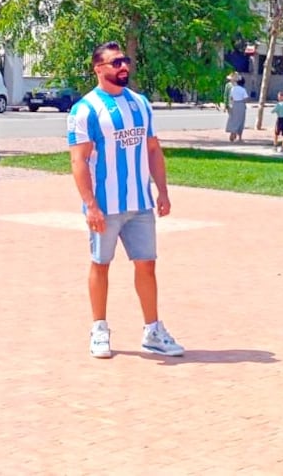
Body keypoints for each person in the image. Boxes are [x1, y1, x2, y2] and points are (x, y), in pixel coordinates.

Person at [68, 41, 183, 360]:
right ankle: (99, 329)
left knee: (147, 264)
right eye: (116, 62)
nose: (123, 67)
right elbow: (79, 160)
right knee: (100, 264)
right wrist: (91, 205)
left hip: (139, 203)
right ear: (98, 68)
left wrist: (162, 191)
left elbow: (153, 149)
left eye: (126, 61)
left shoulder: (141, 104)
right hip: (105, 205)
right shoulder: (85, 109)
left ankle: (153, 331)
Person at [224, 76, 248, 142]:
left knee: (233, 119)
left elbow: (231, 98)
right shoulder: (243, 90)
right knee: (241, 120)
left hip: (234, 104)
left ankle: (232, 132)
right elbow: (245, 98)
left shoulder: (233, 89)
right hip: (241, 104)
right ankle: (239, 137)